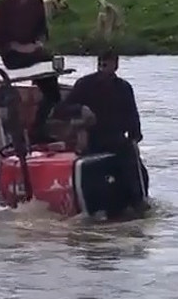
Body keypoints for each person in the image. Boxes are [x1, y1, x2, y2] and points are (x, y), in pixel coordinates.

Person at [52, 49, 147, 214]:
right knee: (116, 158)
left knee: (137, 168)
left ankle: (135, 202)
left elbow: (132, 116)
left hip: (116, 139)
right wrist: (80, 109)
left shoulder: (124, 88)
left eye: (107, 64)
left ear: (116, 65)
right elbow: (60, 110)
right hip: (92, 138)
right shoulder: (85, 84)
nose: (103, 68)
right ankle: (128, 203)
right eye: (101, 64)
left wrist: (135, 138)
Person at [0, 0, 60, 141]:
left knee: (52, 89)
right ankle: (31, 129)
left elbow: (42, 30)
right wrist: (20, 48)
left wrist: (37, 44)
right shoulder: (2, 5)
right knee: (44, 61)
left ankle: (40, 126)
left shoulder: (35, 2)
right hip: (13, 54)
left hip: (34, 50)